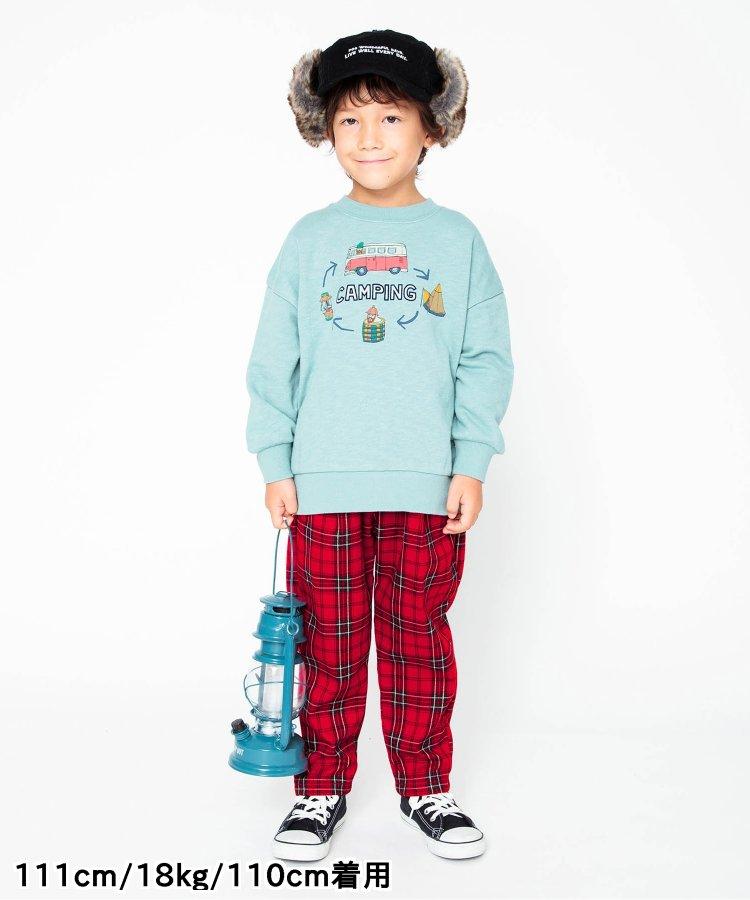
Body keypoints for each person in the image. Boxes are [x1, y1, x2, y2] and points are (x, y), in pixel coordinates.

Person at [244, 28, 514, 862]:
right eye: (350, 120)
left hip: (426, 487)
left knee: (416, 641)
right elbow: (273, 359)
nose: (369, 137)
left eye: (391, 117)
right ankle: (320, 786)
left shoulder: (458, 241)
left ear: (432, 126)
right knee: (325, 646)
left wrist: (470, 462)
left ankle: (425, 784)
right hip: (323, 484)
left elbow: (485, 359)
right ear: (324, 130)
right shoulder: (308, 239)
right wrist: (276, 461)